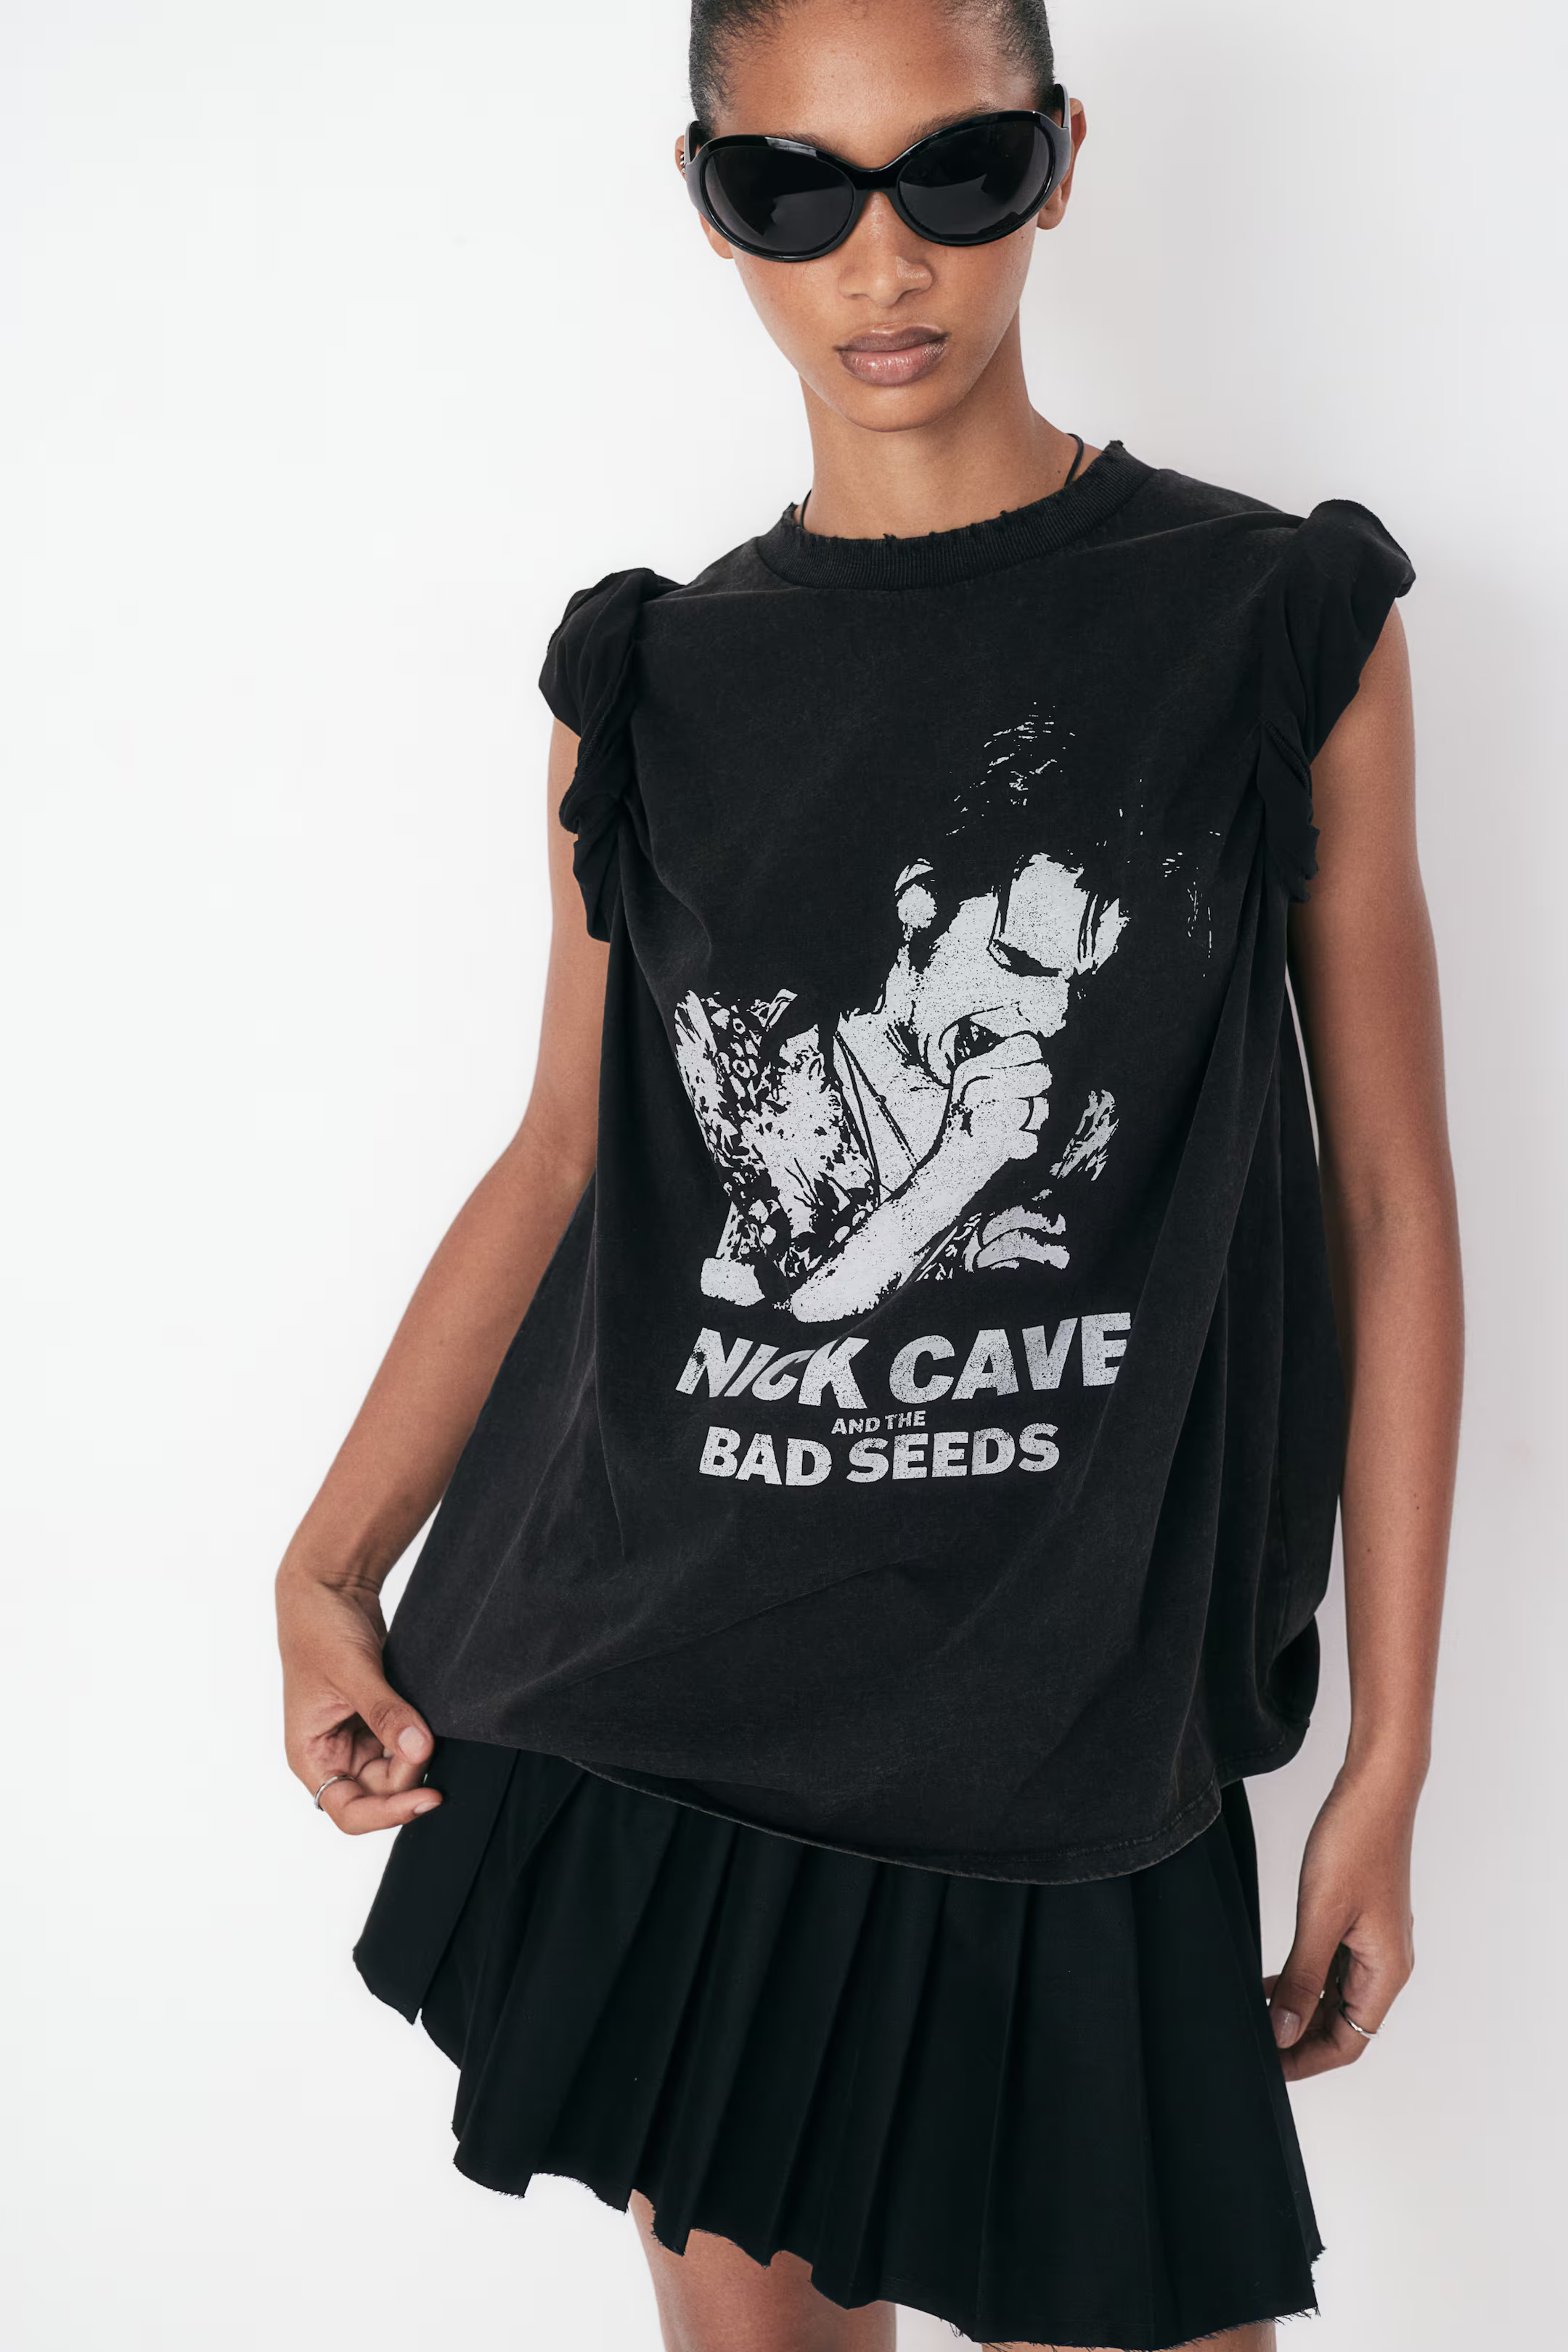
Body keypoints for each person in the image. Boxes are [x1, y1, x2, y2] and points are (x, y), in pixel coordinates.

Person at [275, 3, 1462, 2347]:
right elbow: (561, 1158)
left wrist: (1390, 1760)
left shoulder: (1269, 623)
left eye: (961, 169)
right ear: (707, 200)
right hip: (678, 1720)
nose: (883, 259)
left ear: (1061, 156)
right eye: (793, 190)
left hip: (1082, 1739)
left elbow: (1389, 1206)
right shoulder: (650, 680)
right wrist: (323, 1563)